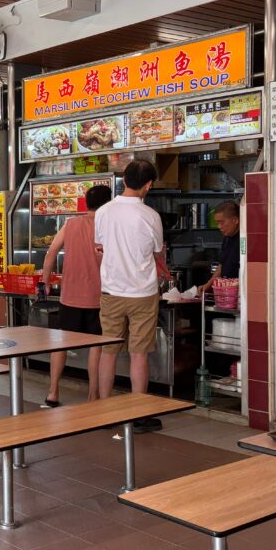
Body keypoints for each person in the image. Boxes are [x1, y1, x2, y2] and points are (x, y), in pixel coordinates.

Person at [95, 159, 165, 433]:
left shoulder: (103, 212)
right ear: (147, 185)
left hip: (111, 290)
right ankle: (139, 413)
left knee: (108, 351)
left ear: (123, 180)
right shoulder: (150, 216)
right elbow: (158, 251)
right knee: (139, 355)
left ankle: (104, 410)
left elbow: (99, 246)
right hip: (143, 293)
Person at [40, 184, 113, 407]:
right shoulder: (108, 226)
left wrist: (45, 280)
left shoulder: (71, 224)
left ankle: (53, 393)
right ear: (108, 204)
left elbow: (51, 251)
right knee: (95, 345)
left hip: (69, 295)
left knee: (62, 342)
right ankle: (93, 396)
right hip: (98, 296)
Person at [200, 200, 241, 293]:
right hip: (226, 292)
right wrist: (208, 285)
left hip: (238, 292)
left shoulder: (244, 239)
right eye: (217, 223)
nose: (219, 226)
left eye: (222, 222)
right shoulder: (227, 238)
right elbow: (221, 266)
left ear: (235, 220)